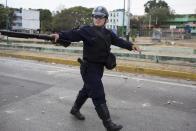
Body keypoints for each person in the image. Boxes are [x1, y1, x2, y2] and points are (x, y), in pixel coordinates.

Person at [51, 6, 140, 131]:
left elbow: (119, 41)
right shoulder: (86, 30)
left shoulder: (108, 34)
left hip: (99, 68)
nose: (97, 19)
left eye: (100, 17)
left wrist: (131, 46)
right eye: (95, 16)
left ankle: (75, 109)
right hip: (88, 68)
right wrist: (59, 35)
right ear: (93, 18)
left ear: (106, 20)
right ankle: (108, 124)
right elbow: (72, 34)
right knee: (98, 93)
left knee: (87, 90)